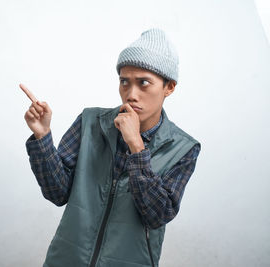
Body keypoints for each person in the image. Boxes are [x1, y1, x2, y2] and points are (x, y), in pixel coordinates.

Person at [23, 28, 201, 267]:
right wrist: (42, 136)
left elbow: (157, 215)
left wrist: (136, 146)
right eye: (124, 82)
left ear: (169, 87)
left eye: (144, 83)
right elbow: (57, 193)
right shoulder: (90, 122)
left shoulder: (183, 148)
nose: (131, 94)